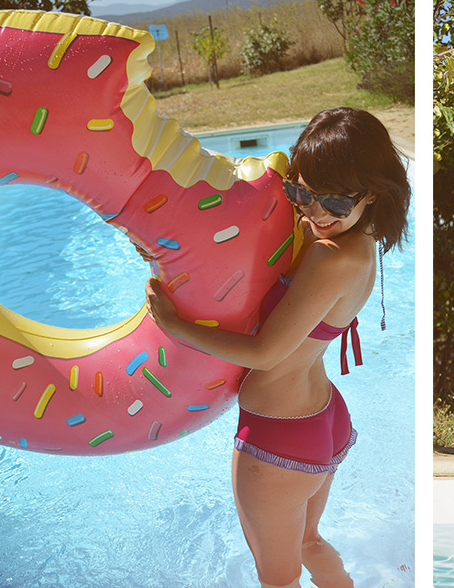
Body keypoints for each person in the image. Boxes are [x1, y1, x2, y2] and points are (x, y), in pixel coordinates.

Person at [144, 107, 410, 588]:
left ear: (369, 192)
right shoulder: (358, 238)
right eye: (300, 192)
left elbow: (266, 354)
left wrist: (174, 326)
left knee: (277, 579)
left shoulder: (332, 257)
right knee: (308, 542)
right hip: (320, 419)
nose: (313, 212)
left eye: (331, 200)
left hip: (279, 437)